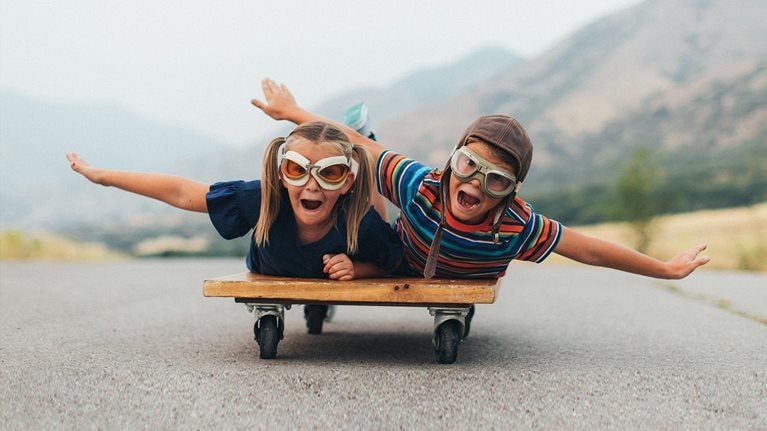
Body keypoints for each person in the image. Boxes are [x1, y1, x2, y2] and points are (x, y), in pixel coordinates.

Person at [251, 78, 710, 281]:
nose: (474, 185)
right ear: (453, 161)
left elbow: (588, 248)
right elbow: (351, 142)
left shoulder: (517, 224)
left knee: (370, 162)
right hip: (400, 254)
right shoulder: (423, 184)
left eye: (496, 181)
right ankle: (375, 139)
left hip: (454, 267)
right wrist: (292, 112)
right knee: (366, 165)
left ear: (511, 193)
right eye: (469, 166)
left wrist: (665, 269)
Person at [66, 121, 402, 281]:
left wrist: (356, 268)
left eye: (328, 174)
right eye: (297, 170)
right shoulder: (263, 199)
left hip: (352, 223)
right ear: (282, 175)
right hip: (276, 263)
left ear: (344, 181)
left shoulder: (360, 224)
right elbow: (183, 192)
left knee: (367, 212)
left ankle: (365, 143)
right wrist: (104, 177)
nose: (311, 186)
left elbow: (391, 260)